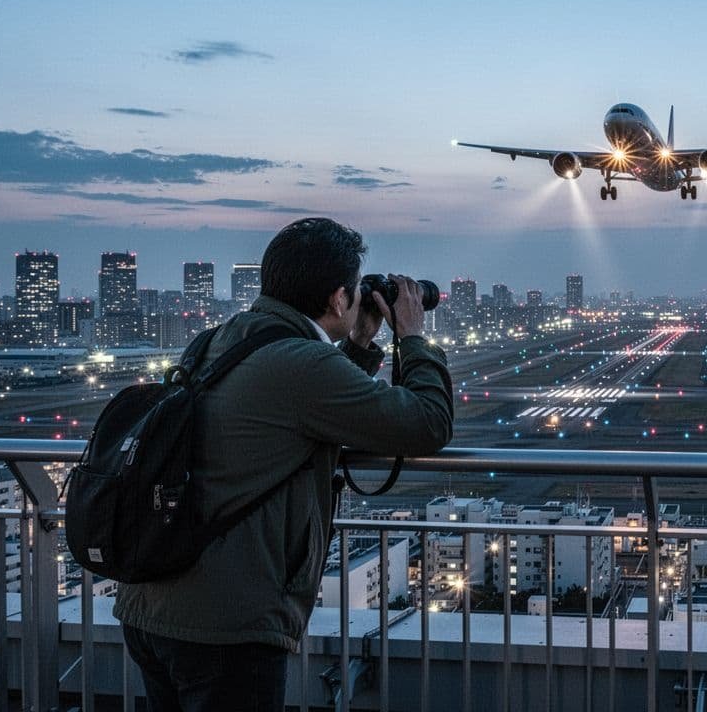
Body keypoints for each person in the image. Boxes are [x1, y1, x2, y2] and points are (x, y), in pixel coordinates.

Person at [114, 217, 454, 711]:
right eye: (355, 290)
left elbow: (311, 410)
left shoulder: (221, 337)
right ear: (339, 298)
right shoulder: (300, 364)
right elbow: (427, 424)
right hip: (225, 624)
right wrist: (414, 337)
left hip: (153, 604)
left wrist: (357, 344)